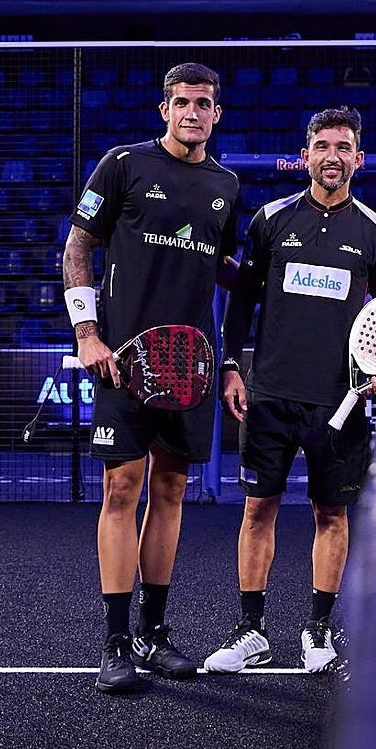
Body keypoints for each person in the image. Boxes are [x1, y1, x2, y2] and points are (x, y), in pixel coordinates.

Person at [63, 62, 241, 694]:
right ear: (164, 108)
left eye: (204, 104)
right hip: (121, 361)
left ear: (217, 114)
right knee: (121, 491)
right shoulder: (123, 164)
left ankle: (154, 633)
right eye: (182, 102)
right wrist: (88, 334)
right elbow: (78, 245)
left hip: (188, 366)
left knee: (169, 494)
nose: (192, 113)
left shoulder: (227, 185)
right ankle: (115, 641)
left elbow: (224, 266)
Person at [204, 106, 376, 675]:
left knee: (329, 515)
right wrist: (234, 369)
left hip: (340, 401)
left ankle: (317, 628)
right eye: (322, 146)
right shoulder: (269, 219)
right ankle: (251, 631)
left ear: (358, 159)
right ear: (306, 154)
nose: (332, 157)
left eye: (343, 148)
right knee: (257, 509)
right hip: (269, 396)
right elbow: (241, 303)